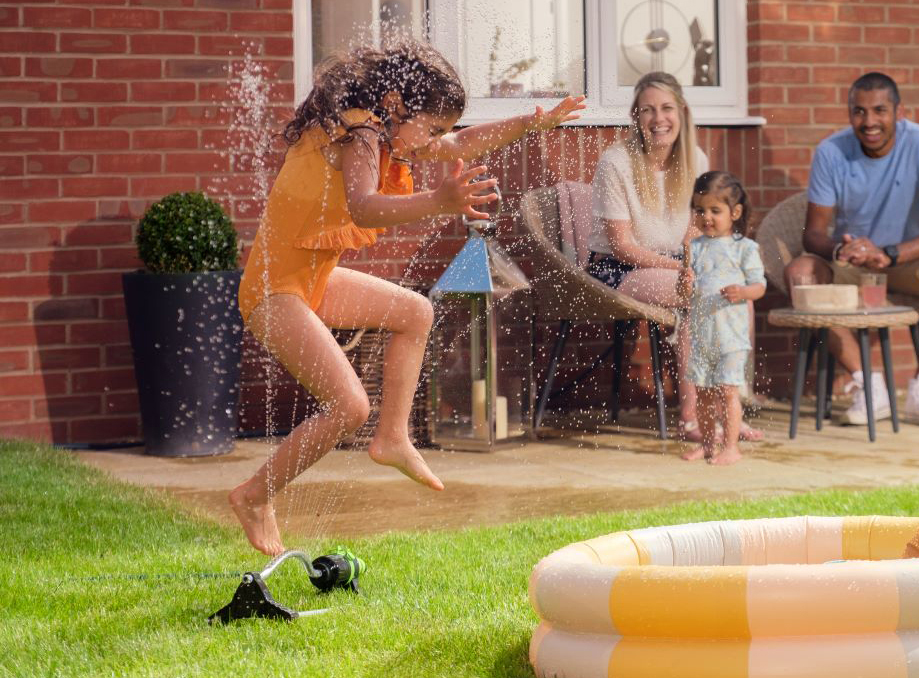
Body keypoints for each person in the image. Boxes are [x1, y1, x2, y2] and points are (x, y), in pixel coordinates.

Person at [230, 41, 585, 555]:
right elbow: (366, 207)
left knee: (415, 312)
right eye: (434, 127)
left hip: (310, 283)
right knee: (348, 405)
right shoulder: (360, 133)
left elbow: (462, 144)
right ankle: (254, 496)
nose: (438, 141)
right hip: (272, 292)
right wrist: (439, 200)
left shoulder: (388, 130)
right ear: (397, 104)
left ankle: (392, 436)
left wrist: (531, 124)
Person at [784, 72, 919, 428]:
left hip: (905, 260)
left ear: (900, 112)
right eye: (859, 112)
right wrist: (844, 248)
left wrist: (890, 253)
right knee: (800, 273)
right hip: (852, 262)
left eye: (879, 111)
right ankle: (869, 387)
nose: (869, 122)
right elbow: (814, 235)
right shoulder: (830, 151)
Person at [585, 71, 761, 442]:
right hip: (617, 267)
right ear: (636, 116)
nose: (657, 118)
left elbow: (694, 231)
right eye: (647, 110)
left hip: (673, 262)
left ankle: (730, 407)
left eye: (666, 108)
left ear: (681, 112)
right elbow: (621, 246)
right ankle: (692, 416)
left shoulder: (693, 158)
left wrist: (697, 264)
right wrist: (684, 269)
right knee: (697, 295)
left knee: (736, 295)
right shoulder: (616, 162)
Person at [680, 171, 765, 466]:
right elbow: (687, 294)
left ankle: (731, 447)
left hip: (731, 337)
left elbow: (760, 287)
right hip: (703, 336)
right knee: (703, 393)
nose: (707, 217)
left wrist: (742, 291)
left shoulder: (745, 248)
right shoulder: (695, 247)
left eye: (715, 210)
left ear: (735, 212)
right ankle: (707, 445)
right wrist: (685, 282)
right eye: (700, 210)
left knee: (728, 391)